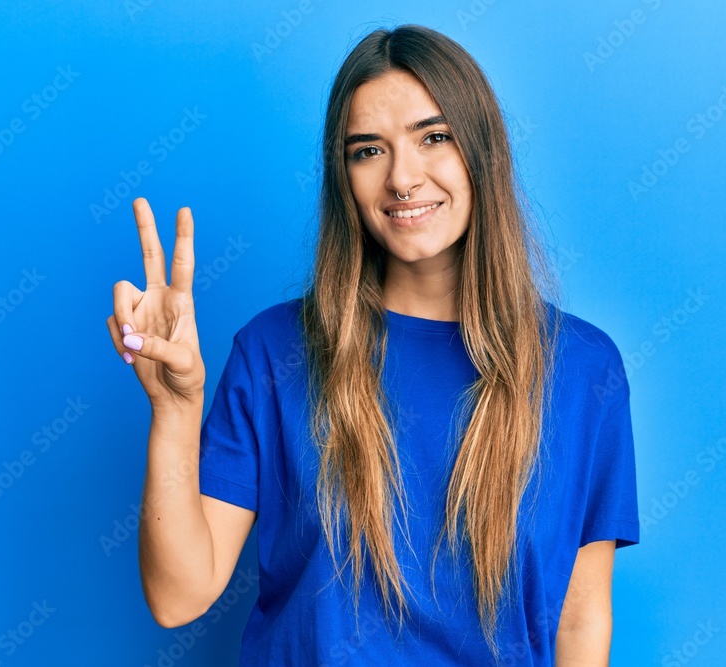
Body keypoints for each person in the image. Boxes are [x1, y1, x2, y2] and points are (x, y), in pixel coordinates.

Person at [105, 23, 640, 666]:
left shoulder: (583, 370)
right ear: (344, 178)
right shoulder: (273, 353)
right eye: (368, 150)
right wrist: (174, 410)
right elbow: (178, 597)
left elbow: (579, 623)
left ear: (483, 150)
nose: (402, 178)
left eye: (434, 137)